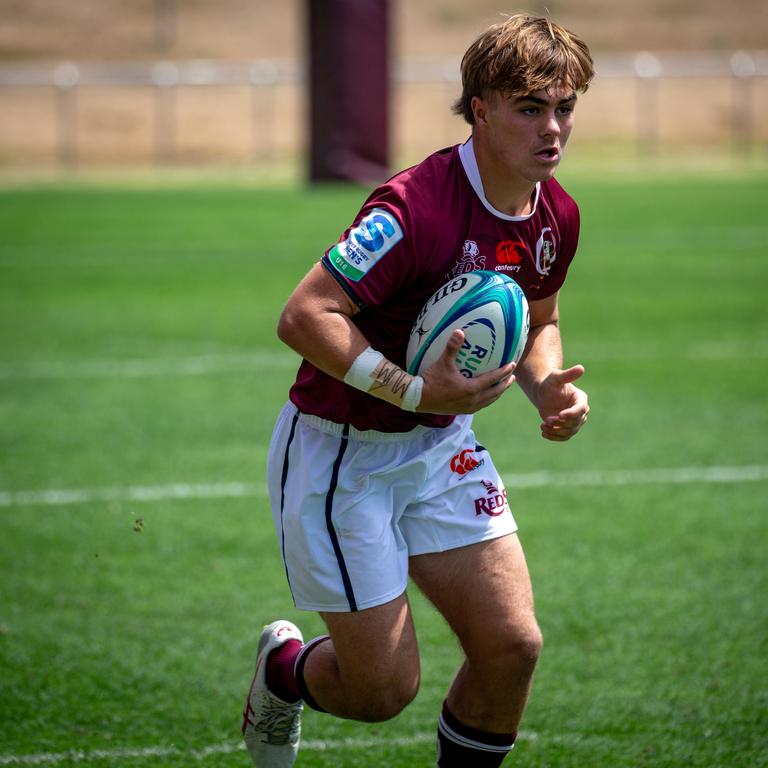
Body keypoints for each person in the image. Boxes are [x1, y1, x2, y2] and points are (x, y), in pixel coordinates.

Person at [242, 13, 593, 767]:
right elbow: (305, 315)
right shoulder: (413, 207)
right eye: (531, 108)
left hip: (441, 450)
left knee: (512, 646)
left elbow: (539, 319)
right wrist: (410, 389)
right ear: (480, 108)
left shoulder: (554, 212)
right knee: (380, 692)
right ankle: (283, 670)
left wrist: (547, 389)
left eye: (565, 107)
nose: (553, 129)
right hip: (342, 457)